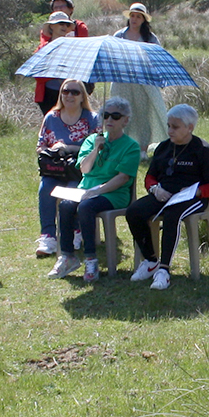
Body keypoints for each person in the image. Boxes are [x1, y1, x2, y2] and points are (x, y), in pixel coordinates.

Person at [127, 104, 209, 290]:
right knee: (134, 211)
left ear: (190, 128)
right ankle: (151, 261)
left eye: (175, 127)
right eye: (168, 125)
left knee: (172, 215)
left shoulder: (203, 149)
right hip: (163, 193)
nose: (170, 130)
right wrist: (155, 189)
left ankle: (164, 270)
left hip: (192, 197)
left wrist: (195, 192)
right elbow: (150, 177)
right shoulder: (163, 147)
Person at [50, 96, 141, 283]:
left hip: (113, 193)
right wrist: (96, 149)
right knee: (66, 206)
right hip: (85, 190)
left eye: (115, 116)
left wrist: (98, 191)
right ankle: (68, 256)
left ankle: (91, 259)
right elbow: (84, 169)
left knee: (86, 207)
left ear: (125, 120)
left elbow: (123, 177)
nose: (109, 120)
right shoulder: (92, 140)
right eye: (106, 115)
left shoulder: (131, 146)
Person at [34, 81, 99, 257]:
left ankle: (75, 231)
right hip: (55, 168)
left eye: (75, 92)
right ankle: (48, 236)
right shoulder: (51, 117)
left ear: (82, 96)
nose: (69, 95)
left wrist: (70, 148)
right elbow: (40, 147)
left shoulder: (91, 119)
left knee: (71, 191)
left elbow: (97, 148)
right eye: (65, 91)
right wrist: (54, 149)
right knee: (45, 188)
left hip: (79, 170)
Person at [111, 3, 167, 153]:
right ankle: (121, 147)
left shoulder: (150, 38)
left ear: (143, 20)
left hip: (144, 81)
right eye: (132, 16)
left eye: (138, 16)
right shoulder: (119, 36)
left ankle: (143, 148)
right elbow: (112, 57)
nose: (134, 19)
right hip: (122, 81)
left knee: (143, 114)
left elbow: (158, 59)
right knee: (121, 112)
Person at [32, 11, 89, 113]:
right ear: (51, 26)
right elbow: (37, 74)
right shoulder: (43, 48)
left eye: (67, 25)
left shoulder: (74, 47)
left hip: (70, 94)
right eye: (61, 24)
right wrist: (60, 71)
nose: (64, 27)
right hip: (48, 95)